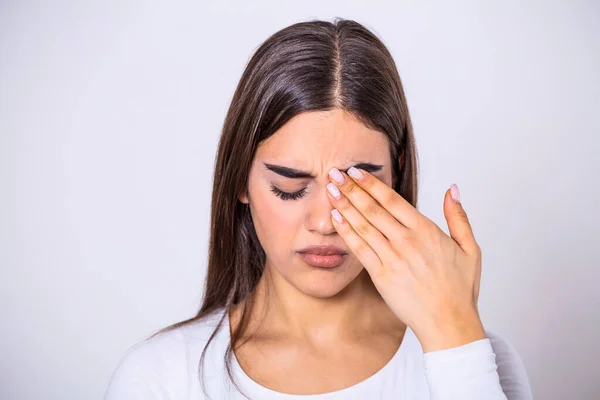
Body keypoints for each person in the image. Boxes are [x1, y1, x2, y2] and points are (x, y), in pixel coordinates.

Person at [105, 18, 533, 399]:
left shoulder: (476, 358)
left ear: (396, 175)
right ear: (241, 181)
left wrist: (455, 339)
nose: (326, 223)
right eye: (289, 187)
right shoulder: (161, 378)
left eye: (355, 188)